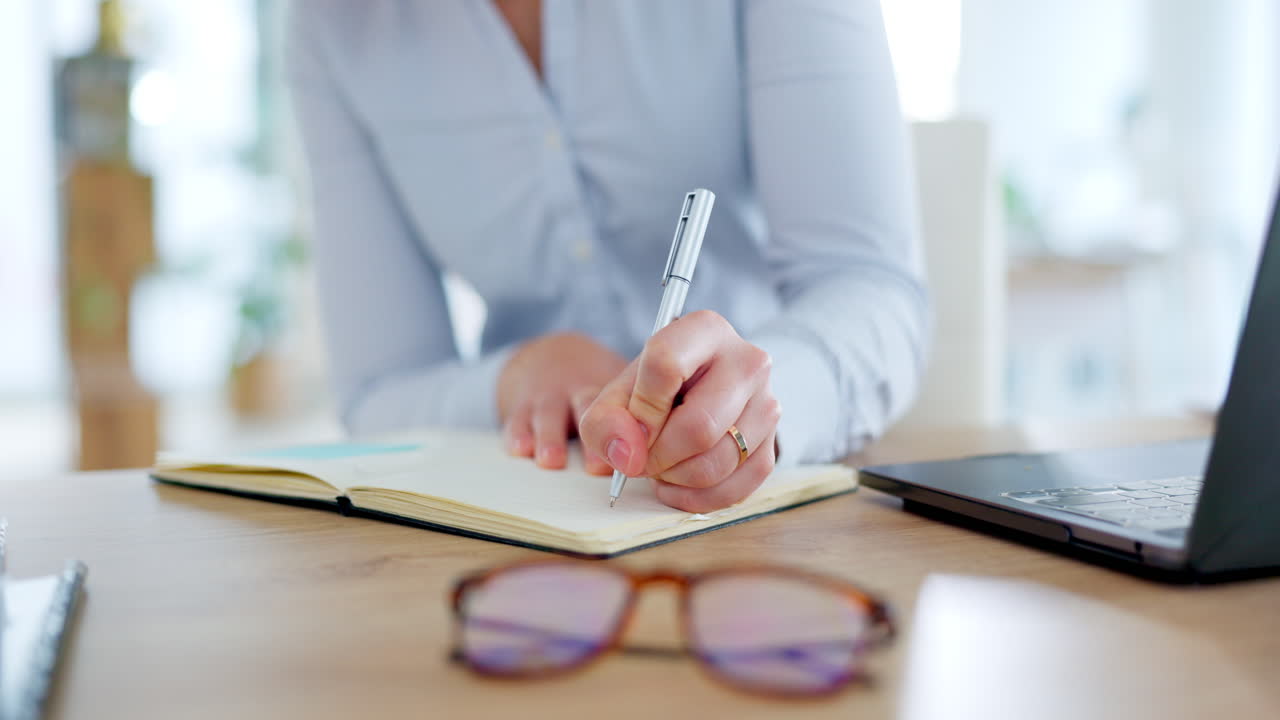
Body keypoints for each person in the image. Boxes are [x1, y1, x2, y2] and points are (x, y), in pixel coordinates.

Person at [286, 0, 929, 513]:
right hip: (522, 513)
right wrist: (513, 378)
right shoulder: (333, 23)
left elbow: (869, 287)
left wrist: (761, 398)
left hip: (773, 514)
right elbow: (377, 389)